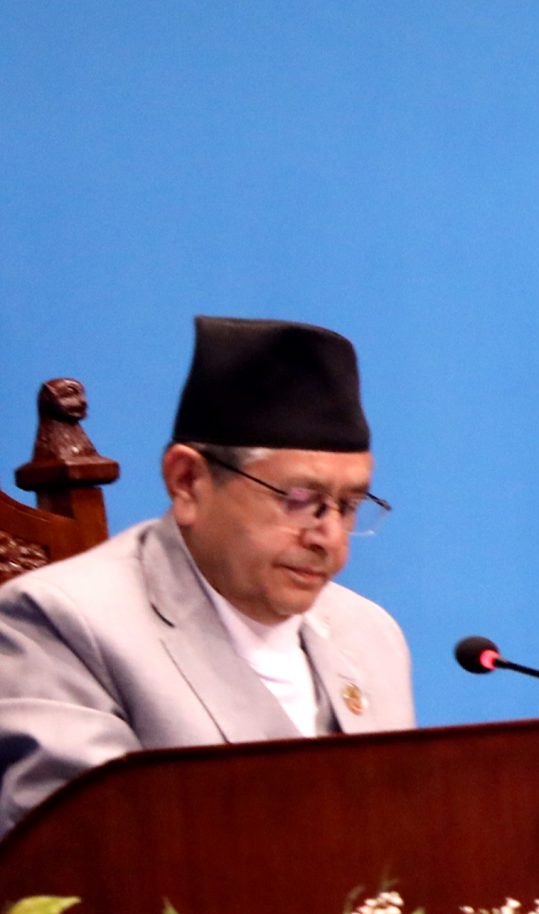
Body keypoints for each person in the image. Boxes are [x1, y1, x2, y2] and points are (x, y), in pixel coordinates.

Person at [0, 316, 414, 835]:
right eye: (299, 500)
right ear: (188, 482)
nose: (327, 536)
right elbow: (84, 864)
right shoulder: (61, 625)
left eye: (349, 505)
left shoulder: (370, 635)